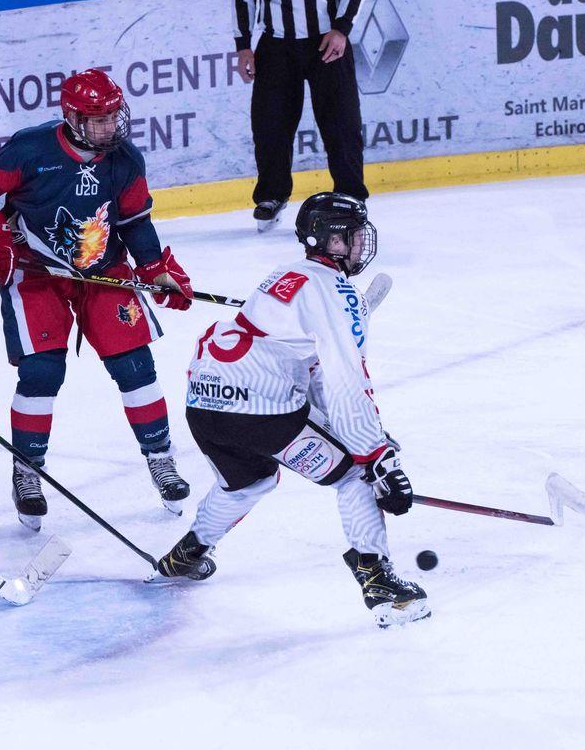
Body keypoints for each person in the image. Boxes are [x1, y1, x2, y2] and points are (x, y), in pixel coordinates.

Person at [154, 192, 429, 628]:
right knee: (356, 472)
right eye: (352, 235)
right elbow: (345, 379)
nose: (361, 243)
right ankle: (380, 586)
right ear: (329, 240)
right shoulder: (336, 292)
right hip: (261, 408)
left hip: (205, 401)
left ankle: (188, 553)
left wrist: (357, 437)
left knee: (248, 480)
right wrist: (375, 454)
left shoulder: (286, 275)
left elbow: (310, 367)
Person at [0, 68, 194, 530]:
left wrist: (154, 267)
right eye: (98, 119)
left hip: (103, 270)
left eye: (113, 117)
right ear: (72, 117)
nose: (109, 127)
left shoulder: (125, 159)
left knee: (135, 365)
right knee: (41, 371)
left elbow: (134, 221)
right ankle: (27, 470)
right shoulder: (31, 149)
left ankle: (161, 458)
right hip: (35, 270)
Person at [231, 0, 370, 232]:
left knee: (342, 124)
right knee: (270, 125)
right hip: (276, 45)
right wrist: (243, 45)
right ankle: (272, 195)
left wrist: (341, 29)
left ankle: (351, 196)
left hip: (329, 41)